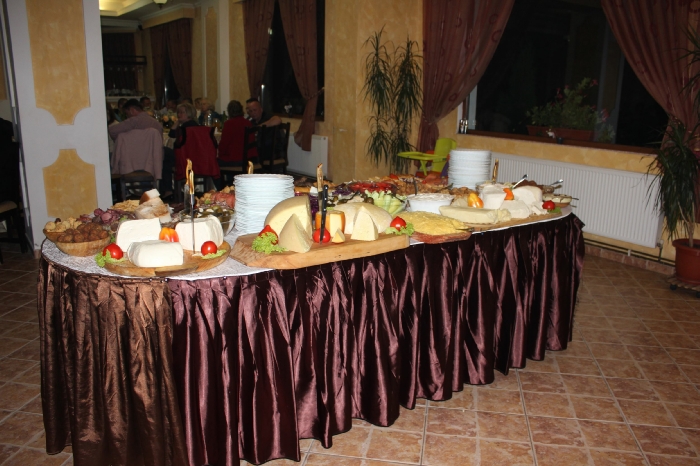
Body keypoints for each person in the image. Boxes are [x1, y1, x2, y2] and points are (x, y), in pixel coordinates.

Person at [161, 102, 199, 198]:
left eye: (182, 112)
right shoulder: (196, 125)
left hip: (184, 157)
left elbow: (171, 134)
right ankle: (168, 190)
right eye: (178, 112)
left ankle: (167, 190)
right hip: (195, 157)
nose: (179, 114)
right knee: (167, 160)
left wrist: (177, 122)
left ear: (189, 113)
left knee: (162, 153)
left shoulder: (184, 128)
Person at [218, 100, 257, 168]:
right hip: (250, 158)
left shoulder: (229, 124)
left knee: (213, 163)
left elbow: (224, 145)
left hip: (235, 159)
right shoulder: (248, 123)